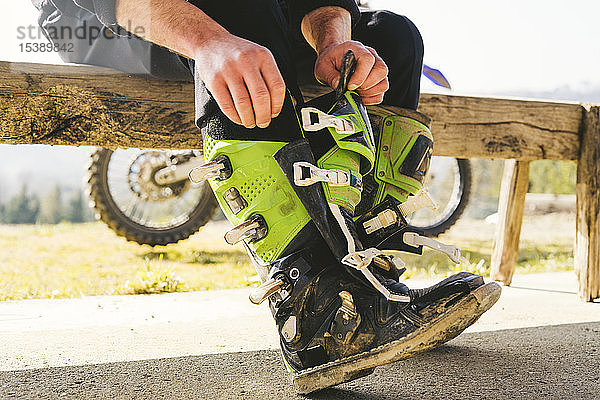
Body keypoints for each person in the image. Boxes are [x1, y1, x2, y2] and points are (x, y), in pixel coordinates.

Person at [33, 0, 501, 393]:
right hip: (99, 19)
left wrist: (334, 38)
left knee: (393, 36)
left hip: (255, 18)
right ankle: (316, 307)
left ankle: (369, 274)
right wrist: (209, 43)